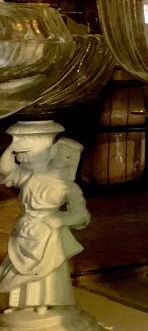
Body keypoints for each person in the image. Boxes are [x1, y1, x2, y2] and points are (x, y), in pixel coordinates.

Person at [0, 121, 87, 310]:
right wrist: (12, 148)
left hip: (49, 234)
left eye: (69, 157)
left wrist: (60, 219)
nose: (63, 159)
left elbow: (81, 213)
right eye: (60, 153)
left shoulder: (69, 187)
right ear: (52, 153)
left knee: (48, 271)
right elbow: (6, 169)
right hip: (25, 230)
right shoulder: (30, 176)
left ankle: (45, 305)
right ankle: (20, 305)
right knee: (19, 267)